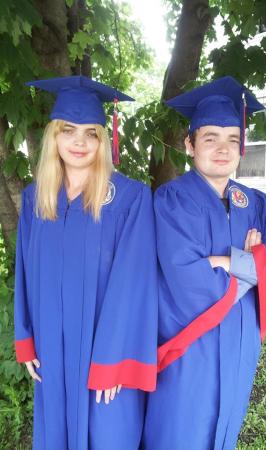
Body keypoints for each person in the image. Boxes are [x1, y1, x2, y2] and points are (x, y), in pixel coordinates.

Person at [142, 76, 266, 450]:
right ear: (190, 144)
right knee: (178, 433)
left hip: (241, 349)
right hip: (190, 349)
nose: (223, 148)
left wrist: (223, 262)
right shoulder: (170, 201)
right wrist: (250, 262)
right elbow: (185, 278)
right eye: (210, 138)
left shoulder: (260, 205)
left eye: (232, 139)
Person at [14, 75, 158, 450]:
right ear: (53, 137)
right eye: (68, 130)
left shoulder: (129, 199)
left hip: (104, 356)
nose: (78, 141)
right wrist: (26, 339)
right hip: (52, 350)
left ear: (103, 140)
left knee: (108, 436)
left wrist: (114, 362)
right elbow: (26, 274)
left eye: (90, 133)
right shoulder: (34, 200)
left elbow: (134, 282)